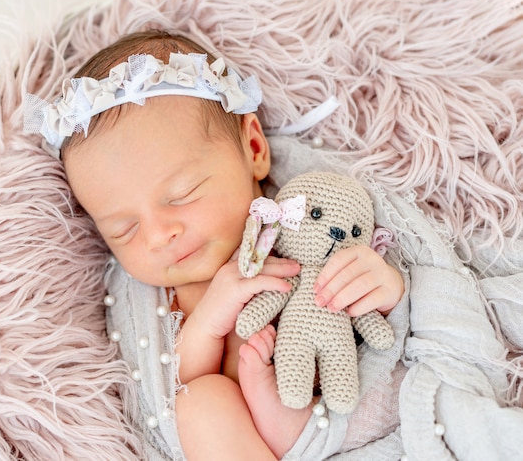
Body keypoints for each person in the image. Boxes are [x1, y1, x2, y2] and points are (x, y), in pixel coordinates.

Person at [25, 30, 404, 460]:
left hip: (353, 425)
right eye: (123, 230)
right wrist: (209, 319)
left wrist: (387, 290)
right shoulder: (173, 295)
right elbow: (176, 385)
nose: (156, 236)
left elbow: (400, 312)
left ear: (254, 147)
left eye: (182, 195)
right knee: (200, 406)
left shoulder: (303, 215)